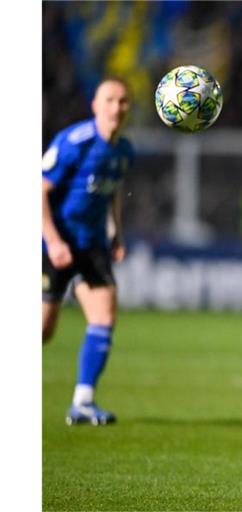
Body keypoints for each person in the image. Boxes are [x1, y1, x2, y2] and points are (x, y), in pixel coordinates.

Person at [42, 77, 134, 426]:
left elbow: (111, 192)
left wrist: (116, 234)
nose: (116, 107)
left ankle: (82, 402)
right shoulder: (74, 142)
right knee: (42, 331)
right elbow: (38, 192)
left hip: (92, 244)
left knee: (104, 317)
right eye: (109, 100)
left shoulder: (124, 151)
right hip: (55, 243)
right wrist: (52, 240)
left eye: (123, 101)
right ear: (95, 105)